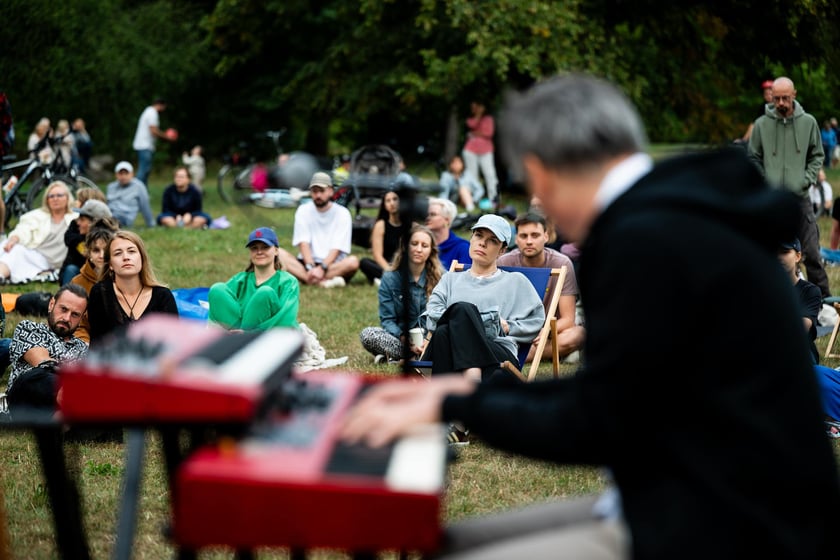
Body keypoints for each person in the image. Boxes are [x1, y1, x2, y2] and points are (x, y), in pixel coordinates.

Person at [341, 74, 840, 559]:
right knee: (447, 540)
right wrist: (463, 394)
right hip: (690, 491)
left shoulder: (645, 240)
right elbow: (616, 392)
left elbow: (599, 421)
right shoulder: (672, 214)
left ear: (544, 169)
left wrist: (463, 404)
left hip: (732, 524)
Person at [420, 214, 544, 385]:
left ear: (502, 250)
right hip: (454, 350)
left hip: (496, 350)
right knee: (458, 313)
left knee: (445, 330)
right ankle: (473, 377)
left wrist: (509, 327)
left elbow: (535, 321)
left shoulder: (516, 281)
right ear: (471, 239)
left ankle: (444, 400)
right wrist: (485, 321)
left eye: (492, 240)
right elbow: (432, 315)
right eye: (478, 235)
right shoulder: (450, 279)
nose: (483, 243)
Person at [748, 76, 830, 298]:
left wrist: (805, 179)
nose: (781, 103)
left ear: (794, 95)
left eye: (785, 98)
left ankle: (825, 303)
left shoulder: (808, 122)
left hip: (800, 197)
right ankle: (777, 302)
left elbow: (817, 155)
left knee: (811, 252)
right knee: (772, 253)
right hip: (772, 200)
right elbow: (753, 157)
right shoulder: (762, 125)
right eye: (777, 99)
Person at [497, 212, 584, 362]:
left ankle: (523, 355)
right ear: (516, 239)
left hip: (549, 331)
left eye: (535, 235)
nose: (529, 241)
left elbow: (568, 319)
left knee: (579, 333)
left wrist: (546, 331)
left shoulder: (562, 263)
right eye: (523, 236)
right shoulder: (504, 262)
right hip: (515, 330)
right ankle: (551, 353)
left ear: (546, 236)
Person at [359, 224, 444, 363]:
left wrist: (428, 340)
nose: (418, 249)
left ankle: (396, 358)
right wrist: (404, 338)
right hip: (401, 340)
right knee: (368, 334)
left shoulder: (442, 278)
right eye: (414, 244)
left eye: (424, 245)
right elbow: (387, 319)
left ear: (431, 251)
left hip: (431, 339)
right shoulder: (390, 278)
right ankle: (408, 356)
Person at [4, 284, 88, 415]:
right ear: (51, 304)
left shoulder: (82, 348)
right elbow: (43, 363)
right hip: (26, 397)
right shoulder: (28, 328)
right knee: (39, 375)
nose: (66, 318)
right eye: (63, 309)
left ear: (82, 318)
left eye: (75, 315)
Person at [87, 230, 178, 346]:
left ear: (142, 258)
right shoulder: (100, 293)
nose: (126, 257)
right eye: (118, 253)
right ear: (110, 264)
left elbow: (173, 344)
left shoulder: (163, 296)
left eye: (131, 251)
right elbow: (97, 344)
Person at [208, 227, 299, 331]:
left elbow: (286, 318)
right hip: (237, 335)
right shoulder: (240, 280)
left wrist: (249, 333)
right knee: (217, 289)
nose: (259, 252)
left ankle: (246, 339)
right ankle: (235, 340)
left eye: (265, 247)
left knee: (265, 293)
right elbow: (219, 308)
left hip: (271, 335)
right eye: (254, 248)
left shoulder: (288, 282)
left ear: (276, 251)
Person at [281, 171, 359, 288]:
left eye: (321, 191)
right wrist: (311, 268)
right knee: (276, 253)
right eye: (314, 191)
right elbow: (303, 243)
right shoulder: (303, 210)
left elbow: (337, 247)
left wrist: (322, 268)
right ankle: (322, 282)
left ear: (331, 191)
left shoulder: (342, 213)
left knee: (353, 262)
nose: (318, 195)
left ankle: (308, 279)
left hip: (332, 265)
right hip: (306, 264)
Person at [0, 180, 76, 284]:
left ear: (67, 198)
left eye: (59, 195)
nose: (55, 199)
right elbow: (23, 229)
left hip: (50, 262)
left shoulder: (75, 218)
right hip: (35, 254)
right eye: (51, 196)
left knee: (15, 252)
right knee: (7, 246)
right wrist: (14, 238)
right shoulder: (37, 215)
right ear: (47, 199)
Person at [70, 222, 120, 344]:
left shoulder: (123, 278)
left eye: (106, 250)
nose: (101, 255)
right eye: (96, 250)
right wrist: (85, 344)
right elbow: (77, 322)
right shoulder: (77, 282)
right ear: (88, 253)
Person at [778, 238, 821, 363]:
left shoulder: (810, 291)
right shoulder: (763, 287)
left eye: (784, 252)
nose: (779, 257)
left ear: (798, 256)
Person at [58, 199, 114, 285]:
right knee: (71, 269)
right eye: (95, 250)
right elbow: (68, 238)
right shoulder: (75, 230)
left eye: (82, 219)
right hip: (81, 276)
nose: (78, 222)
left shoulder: (112, 240)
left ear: (95, 222)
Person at [358, 190, 407, 285]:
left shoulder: (409, 225)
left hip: (403, 266)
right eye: (388, 201)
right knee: (364, 262)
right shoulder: (381, 225)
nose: (392, 203)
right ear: (384, 205)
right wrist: (389, 270)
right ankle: (389, 279)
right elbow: (377, 255)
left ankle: (384, 280)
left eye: (395, 199)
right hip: (385, 265)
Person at [463, 100, 499, 209]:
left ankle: (494, 199)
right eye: (472, 108)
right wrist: (478, 116)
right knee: (472, 176)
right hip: (470, 150)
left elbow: (488, 133)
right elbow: (471, 125)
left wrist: (475, 133)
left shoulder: (488, 119)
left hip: (486, 151)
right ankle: (473, 199)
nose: (473, 109)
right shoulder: (470, 119)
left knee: (490, 175)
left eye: (476, 107)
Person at [132, 97, 173, 186]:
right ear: (160, 105)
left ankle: (144, 193)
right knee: (143, 170)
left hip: (144, 145)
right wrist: (167, 137)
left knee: (146, 171)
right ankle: (135, 189)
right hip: (144, 145)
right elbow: (153, 131)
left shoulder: (149, 111)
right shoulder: (152, 113)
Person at [426, 197, 471, 270]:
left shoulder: (463, 248)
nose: (427, 218)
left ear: (447, 220)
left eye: (433, 214)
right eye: (426, 214)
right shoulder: (421, 245)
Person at [106, 161, 154, 228]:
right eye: (120, 173)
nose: (123, 176)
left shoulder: (139, 186)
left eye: (126, 173)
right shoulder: (111, 187)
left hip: (125, 217)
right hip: (109, 215)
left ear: (132, 174)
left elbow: (145, 205)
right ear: (116, 175)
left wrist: (151, 224)